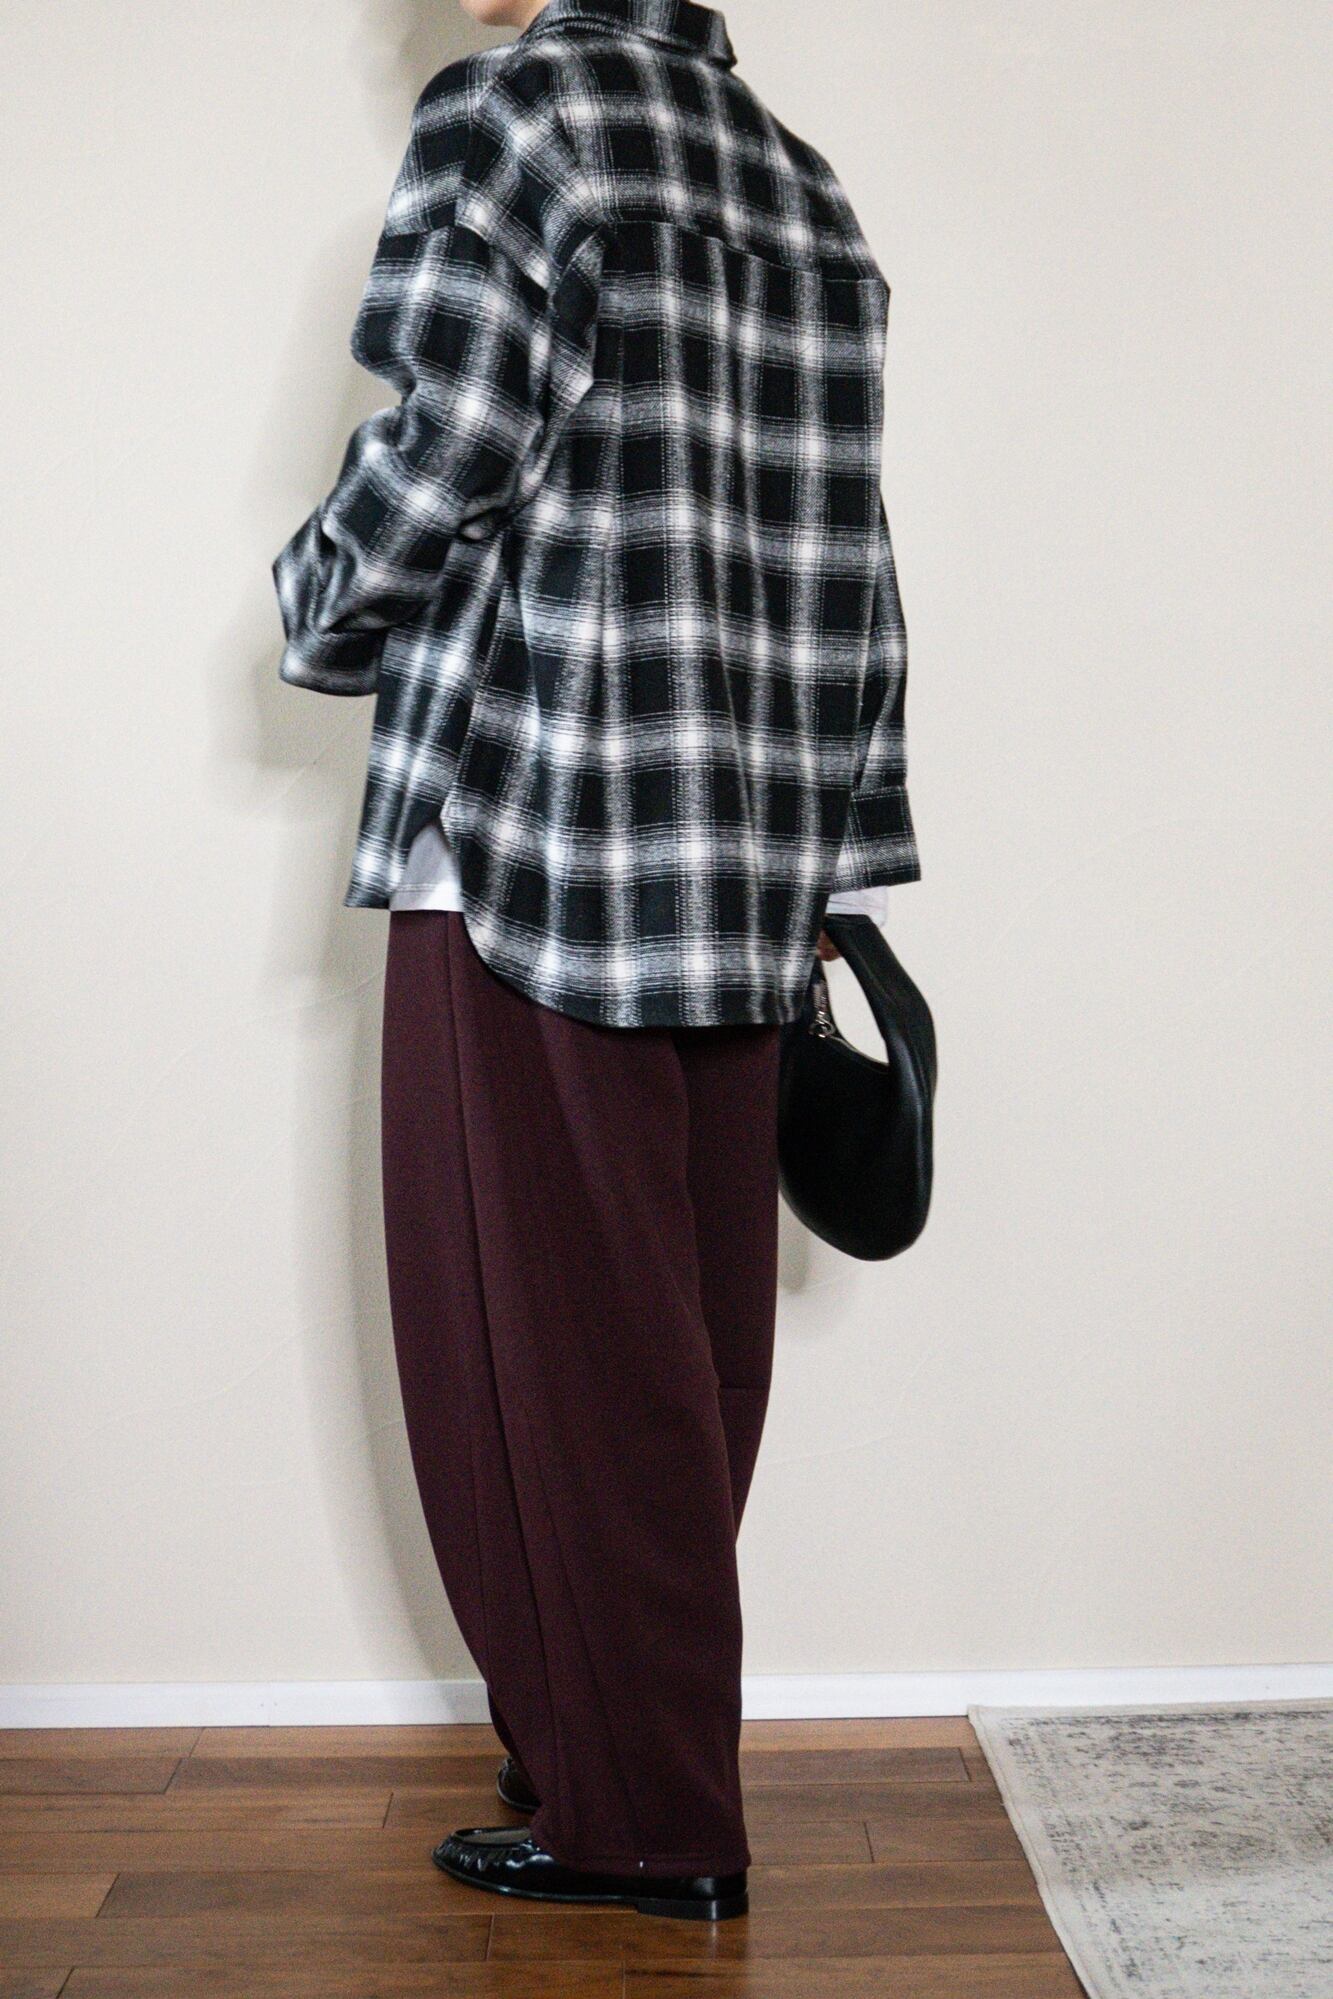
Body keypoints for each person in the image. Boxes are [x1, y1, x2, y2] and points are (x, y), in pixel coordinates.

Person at [271, 0, 919, 1922]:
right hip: (737, 851)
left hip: (535, 827)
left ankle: (637, 1814)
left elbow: (444, 446)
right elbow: (852, 561)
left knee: (530, 1344)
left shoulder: (517, 116)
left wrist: (310, 600)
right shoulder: (798, 182)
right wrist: (829, 853)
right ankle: (607, 1749)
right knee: (684, 1347)